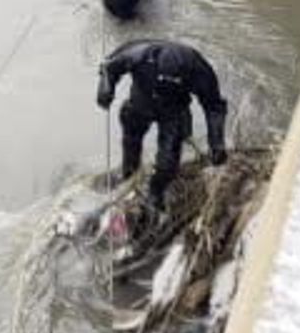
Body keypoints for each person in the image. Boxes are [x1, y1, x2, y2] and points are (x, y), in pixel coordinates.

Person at [96, 40, 228, 210]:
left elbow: (214, 105)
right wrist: (105, 89)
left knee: (168, 163)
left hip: (174, 112)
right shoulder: (139, 53)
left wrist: (216, 143)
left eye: (173, 79)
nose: (166, 82)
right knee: (131, 143)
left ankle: (155, 192)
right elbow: (108, 66)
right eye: (163, 78)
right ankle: (129, 176)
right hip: (140, 103)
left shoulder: (197, 66)